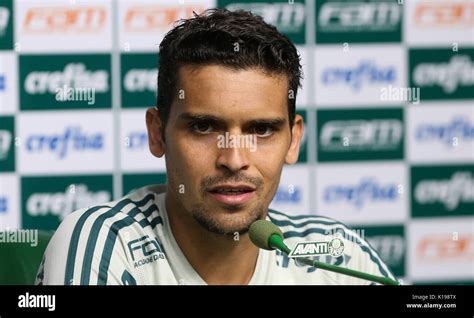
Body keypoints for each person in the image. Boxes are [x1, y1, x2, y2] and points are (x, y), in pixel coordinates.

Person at [36, 8, 396, 285]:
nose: (234, 159)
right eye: (204, 127)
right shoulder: (102, 244)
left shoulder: (339, 256)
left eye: (261, 130)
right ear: (157, 133)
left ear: (294, 139)